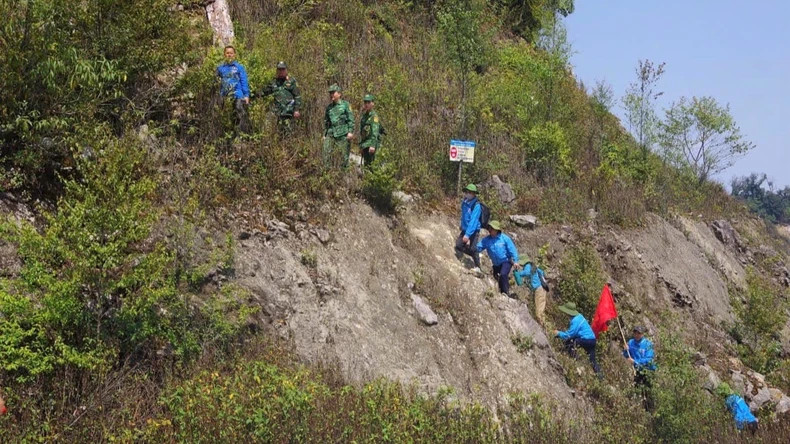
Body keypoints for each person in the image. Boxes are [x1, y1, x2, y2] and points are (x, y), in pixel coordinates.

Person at [555, 302, 601, 376]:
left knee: (572, 342)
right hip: (592, 340)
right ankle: (600, 376)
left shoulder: (575, 320)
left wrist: (558, 333)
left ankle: (574, 362)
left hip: (587, 340)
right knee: (593, 361)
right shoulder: (579, 316)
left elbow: (569, 335)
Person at [476, 220, 520, 296]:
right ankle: (501, 292)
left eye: (491, 228)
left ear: (496, 230)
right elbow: (478, 247)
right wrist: (471, 248)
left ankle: (505, 293)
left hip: (506, 261)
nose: (489, 230)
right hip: (496, 264)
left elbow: (512, 250)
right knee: (497, 277)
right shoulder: (486, 240)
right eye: (489, 228)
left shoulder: (505, 238)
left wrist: (516, 261)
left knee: (503, 274)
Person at [260, 61, 302, 136]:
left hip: (288, 112)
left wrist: (296, 110)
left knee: (288, 133)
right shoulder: (273, 82)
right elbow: (264, 92)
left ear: (286, 70)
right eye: (279, 69)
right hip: (276, 112)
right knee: (272, 130)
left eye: (283, 69)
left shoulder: (291, 81)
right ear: (277, 70)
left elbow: (297, 96)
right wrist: (250, 95)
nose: (281, 71)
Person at [216, 45, 251, 134]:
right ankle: (225, 135)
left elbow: (244, 81)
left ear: (234, 54)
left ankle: (239, 136)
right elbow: (215, 82)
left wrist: (246, 95)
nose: (229, 55)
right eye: (227, 53)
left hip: (237, 95)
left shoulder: (239, 67)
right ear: (224, 54)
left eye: (231, 53)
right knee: (223, 116)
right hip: (224, 96)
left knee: (238, 116)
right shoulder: (220, 68)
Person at [323, 84, 355, 169]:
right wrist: (324, 134)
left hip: (343, 134)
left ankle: (344, 173)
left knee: (344, 157)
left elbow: (351, 119)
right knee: (326, 154)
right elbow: (326, 122)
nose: (331, 95)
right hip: (331, 133)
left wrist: (350, 132)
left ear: (339, 94)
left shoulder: (345, 105)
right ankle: (327, 172)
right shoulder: (329, 107)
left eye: (333, 93)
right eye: (330, 93)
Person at [455, 184, 483, 274]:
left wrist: (467, 235)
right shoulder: (465, 202)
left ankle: (478, 267)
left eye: (470, 192)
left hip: (473, 230)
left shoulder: (476, 205)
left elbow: (473, 221)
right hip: (465, 229)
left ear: (474, 194)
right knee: (458, 245)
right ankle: (472, 254)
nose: (468, 193)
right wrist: (462, 225)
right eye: (467, 192)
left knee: (473, 248)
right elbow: (463, 216)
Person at [513, 257, 549, 325]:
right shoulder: (533, 266)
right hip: (541, 289)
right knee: (540, 309)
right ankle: (543, 325)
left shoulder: (527, 265)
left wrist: (518, 274)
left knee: (539, 311)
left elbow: (527, 273)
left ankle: (543, 325)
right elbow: (541, 272)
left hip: (539, 289)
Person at [359, 94, 383, 166]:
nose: (366, 104)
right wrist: (361, 146)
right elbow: (362, 133)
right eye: (365, 102)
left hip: (371, 145)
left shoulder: (374, 116)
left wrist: (373, 145)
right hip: (365, 145)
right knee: (366, 166)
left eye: (368, 102)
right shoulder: (364, 117)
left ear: (372, 103)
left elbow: (375, 132)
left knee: (372, 166)